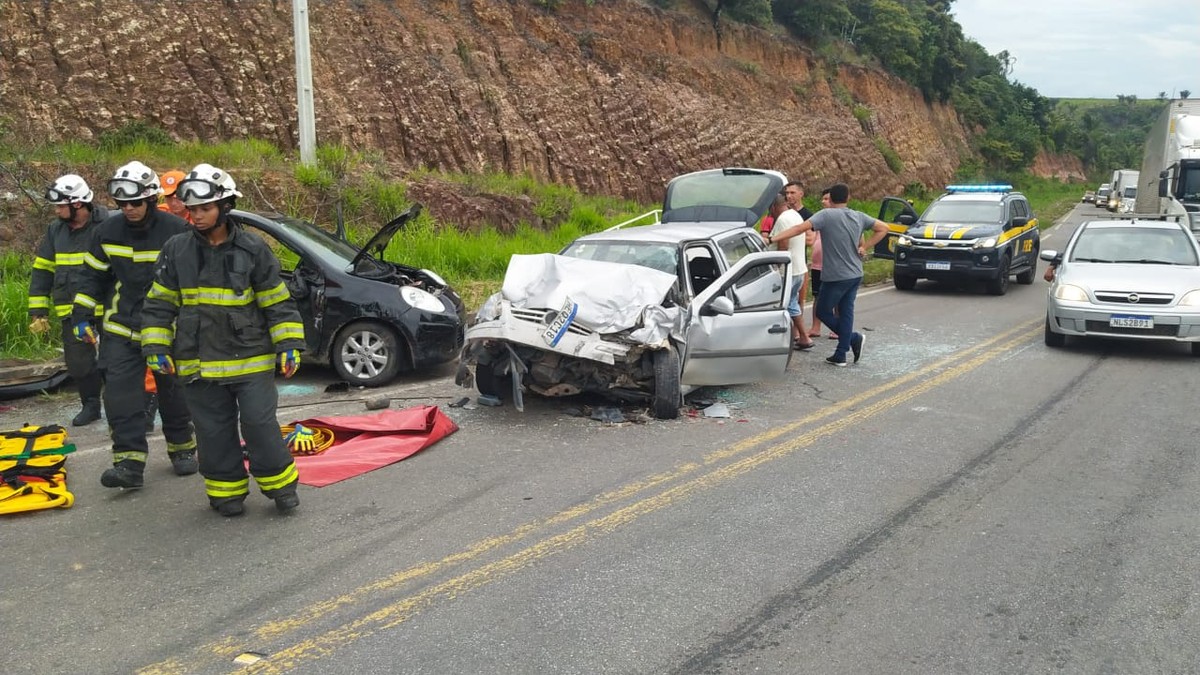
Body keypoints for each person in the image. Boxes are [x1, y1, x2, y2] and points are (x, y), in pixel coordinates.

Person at [142, 164, 306, 517]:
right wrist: (154, 346)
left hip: (251, 360)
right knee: (213, 431)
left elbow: (277, 301)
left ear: (224, 206)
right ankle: (226, 492)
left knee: (259, 424)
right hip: (197, 362)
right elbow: (158, 303)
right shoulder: (176, 250)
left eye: (204, 209)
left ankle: (281, 488)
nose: (196, 217)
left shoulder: (252, 249)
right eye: (192, 210)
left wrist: (289, 343)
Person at [71, 161, 197, 489]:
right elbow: (91, 278)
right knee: (120, 397)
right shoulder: (107, 232)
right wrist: (81, 316)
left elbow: (193, 281)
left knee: (173, 393)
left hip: (168, 329)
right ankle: (129, 463)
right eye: (122, 204)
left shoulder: (176, 231)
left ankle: (182, 448)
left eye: (135, 203)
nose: (128, 209)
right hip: (120, 329)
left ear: (151, 199)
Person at [766, 183, 888, 367]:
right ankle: (841, 353)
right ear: (848, 198)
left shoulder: (825, 215)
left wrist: (772, 238)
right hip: (855, 273)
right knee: (846, 312)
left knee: (823, 311)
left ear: (830, 199)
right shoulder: (858, 215)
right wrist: (865, 247)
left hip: (836, 276)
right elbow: (883, 228)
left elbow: (799, 229)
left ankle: (852, 339)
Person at [28, 174, 108, 426]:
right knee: (78, 362)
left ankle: (126, 406)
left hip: (106, 306)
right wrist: (38, 309)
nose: (56, 210)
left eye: (61, 205)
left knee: (116, 359)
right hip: (70, 307)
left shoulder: (108, 224)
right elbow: (43, 268)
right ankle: (91, 405)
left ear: (78, 204)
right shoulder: (55, 230)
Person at [767, 193, 814, 350]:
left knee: (783, 304)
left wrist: (776, 268)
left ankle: (799, 336)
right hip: (799, 268)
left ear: (773, 207)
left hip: (788, 271)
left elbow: (783, 245)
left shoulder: (782, 219)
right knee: (792, 303)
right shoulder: (794, 214)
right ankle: (802, 337)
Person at [783, 182, 814, 337]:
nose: (789, 196)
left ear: (801, 194)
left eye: (793, 192)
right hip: (785, 264)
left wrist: (791, 234)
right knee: (786, 300)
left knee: (798, 299)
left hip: (800, 263)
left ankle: (797, 332)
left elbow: (811, 240)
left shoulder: (807, 215)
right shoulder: (782, 213)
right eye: (787, 193)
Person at [807, 188, 833, 339]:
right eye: (823, 199)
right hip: (817, 265)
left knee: (836, 298)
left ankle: (836, 328)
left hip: (833, 264)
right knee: (817, 296)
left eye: (827, 199)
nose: (823, 201)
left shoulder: (842, 218)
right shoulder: (819, 217)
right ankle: (815, 327)